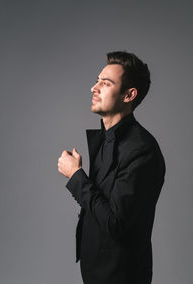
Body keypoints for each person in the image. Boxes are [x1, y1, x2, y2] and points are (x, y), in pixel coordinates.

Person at [58, 51, 166, 284]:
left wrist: (76, 176)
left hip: (121, 276)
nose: (94, 88)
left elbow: (115, 223)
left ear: (129, 95)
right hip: (96, 272)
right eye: (97, 80)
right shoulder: (106, 140)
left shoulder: (142, 150)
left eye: (105, 83)